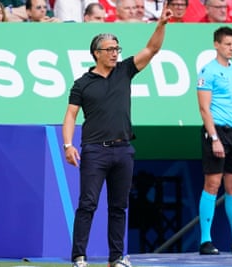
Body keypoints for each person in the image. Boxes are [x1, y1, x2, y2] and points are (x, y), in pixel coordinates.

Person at [62, 2, 172, 267]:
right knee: (87, 205)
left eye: (117, 49)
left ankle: (116, 258)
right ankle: (79, 256)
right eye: (110, 50)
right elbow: (70, 116)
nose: (115, 53)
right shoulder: (81, 84)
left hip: (123, 150)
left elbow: (152, 49)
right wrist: (68, 144)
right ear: (96, 53)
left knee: (118, 208)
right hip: (94, 150)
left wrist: (161, 25)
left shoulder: (124, 71)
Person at [196, 26, 232, 255]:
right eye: (227, 44)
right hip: (216, 131)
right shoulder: (207, 71)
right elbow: (204, 108)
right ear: (216, 45)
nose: (231, 48)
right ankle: (205, 240)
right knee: (212, 183)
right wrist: (214, 138)